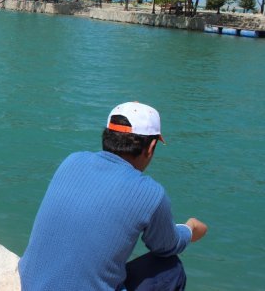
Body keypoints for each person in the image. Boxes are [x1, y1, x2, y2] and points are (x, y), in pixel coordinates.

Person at [18, 102, 207, 290]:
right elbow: (166, 246)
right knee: (171, 269)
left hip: (31, 285)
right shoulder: (150, 193)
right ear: (150, 147)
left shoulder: (72, 160)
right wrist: (190, 229)